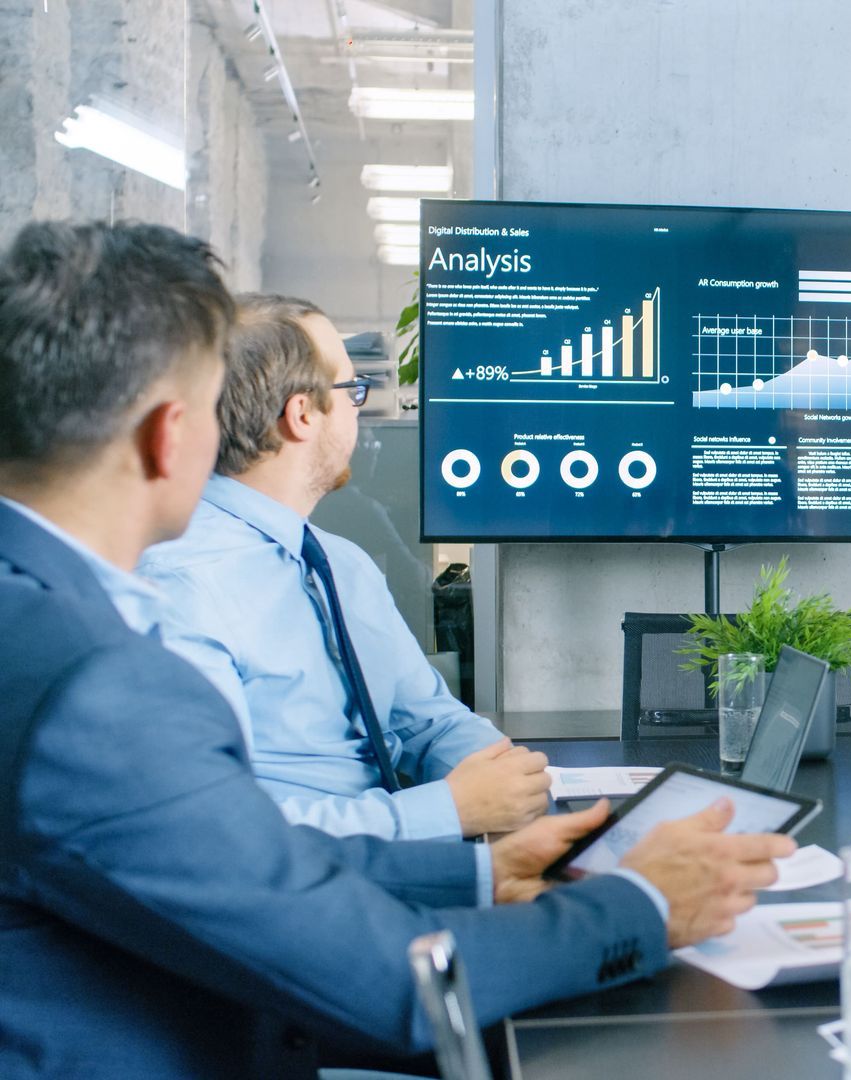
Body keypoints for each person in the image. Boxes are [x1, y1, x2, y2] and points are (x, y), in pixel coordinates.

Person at [0, 221, 794, 1077]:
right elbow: (390, 983)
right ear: (170, 434)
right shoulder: (93, 687)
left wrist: (479, 876)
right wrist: (642, 905)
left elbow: (225, 856)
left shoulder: (41, 619)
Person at [141, 294, 543, 841]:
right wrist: (449, 811)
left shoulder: (342, 565)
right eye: (353, 390)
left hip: (404, 855)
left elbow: (427, 721)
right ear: (302, 414)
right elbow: (215, 828)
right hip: (304, 876)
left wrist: (514, 779)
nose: (359, 410)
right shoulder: (178, 584)